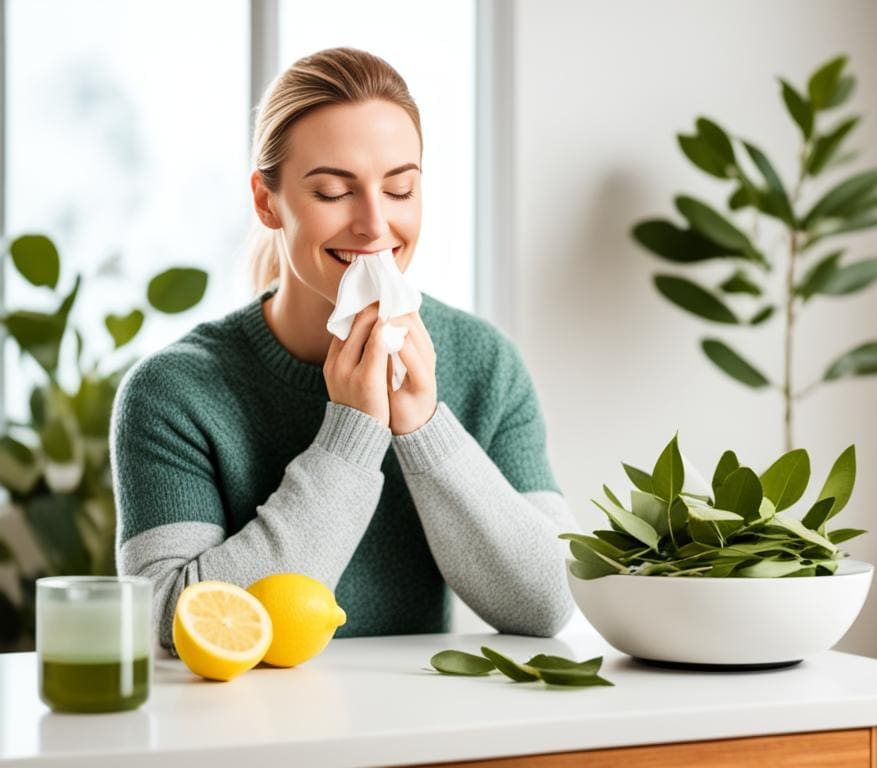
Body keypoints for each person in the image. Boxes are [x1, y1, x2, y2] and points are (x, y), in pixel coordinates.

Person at [111, 47, 579, 655]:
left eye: (401, 189)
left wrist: (423, 426)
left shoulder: (484, 363)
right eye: (334, 193)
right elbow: (174, 625)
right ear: (266, 201)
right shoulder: (175, 392)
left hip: (417, 734)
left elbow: (548, 602)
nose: (375, 225)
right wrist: (352, 436)